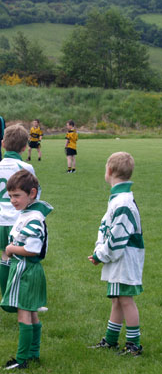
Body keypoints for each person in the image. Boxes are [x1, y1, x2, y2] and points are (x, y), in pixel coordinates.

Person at [88, 152, 144, 356]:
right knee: (117, 299)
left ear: (109, 171)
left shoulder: (123, 202)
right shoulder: (118, 198)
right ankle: (111, 340)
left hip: (125, 259)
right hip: (118, 258)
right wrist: (99, 250)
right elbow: (106, 229)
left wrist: (100, 255)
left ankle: (133, 345)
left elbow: (117, 238)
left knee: (126, 299)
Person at [0, 170, 53, 370]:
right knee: (31, 312)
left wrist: (10, 249)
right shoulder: (28, 213)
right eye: (10, 196)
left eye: (17, 196)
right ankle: (33, 354)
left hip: (26, 269)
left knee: (24, 312)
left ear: (32, 193)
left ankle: (21, 359)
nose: (13, 200)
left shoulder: (33, 218)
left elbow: (32, 249)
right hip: (28, 269)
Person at [0, 124, 38, 297]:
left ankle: (6, 296)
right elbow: (35, 194)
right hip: (21, 220)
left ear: (3, 143)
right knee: (23, 261)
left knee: (5, 258)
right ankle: (24, 299)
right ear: (25, 146)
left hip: (2, 218)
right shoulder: (25, 167)